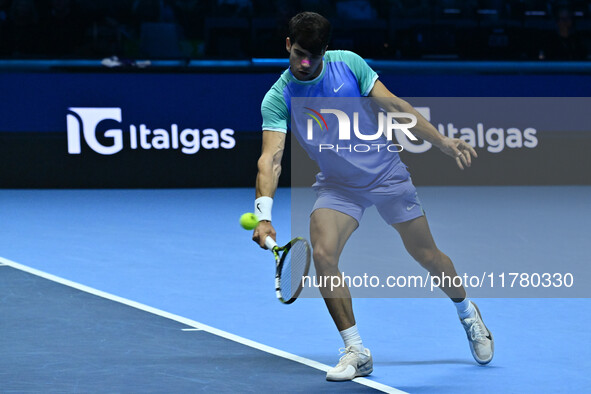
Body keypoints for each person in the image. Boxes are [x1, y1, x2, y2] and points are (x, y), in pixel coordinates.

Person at [252, 11, 494, 381]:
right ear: (288, 44)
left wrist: (441, 142)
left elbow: (396, 106)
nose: (303, 63)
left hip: (386, 175)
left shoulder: (349, 65)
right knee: (322, 252)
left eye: (312, 57)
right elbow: (271, 158)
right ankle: (356, 350)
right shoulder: (278, 96)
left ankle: (467, 312)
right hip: (337, 186)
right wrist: (263, 213)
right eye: (298, 52)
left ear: (325, 52)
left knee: (427, 255)